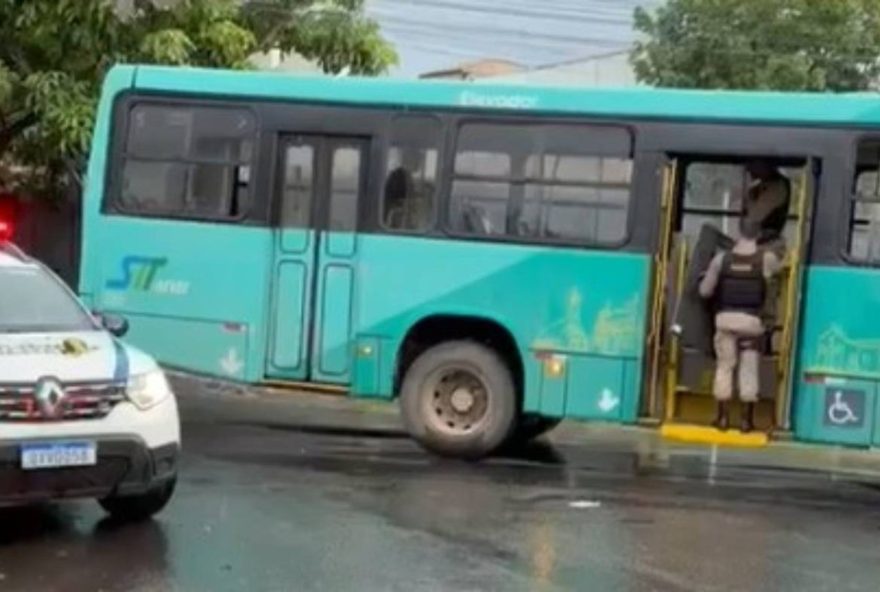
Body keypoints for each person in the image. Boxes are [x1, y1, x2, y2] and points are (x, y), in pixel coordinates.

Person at [698, 218, 781, 432]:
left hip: (725, 321)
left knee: (725, 366)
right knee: (749, 369)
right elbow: (776, 282)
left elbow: (705, 291)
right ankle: (746, 421)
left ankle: (722, 419)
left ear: (739, 232)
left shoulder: (721, 259)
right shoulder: (767, 258)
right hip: (752, 323)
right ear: (759, 234)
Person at [744, 159, 791, 249]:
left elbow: (755, 215)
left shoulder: (777, 187)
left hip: (767, 245)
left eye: (751, 165)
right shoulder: (762, 185)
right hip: (757, 241)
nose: (748, 170)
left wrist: (750, 197)